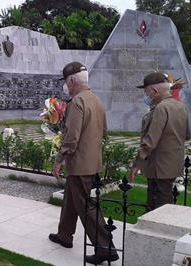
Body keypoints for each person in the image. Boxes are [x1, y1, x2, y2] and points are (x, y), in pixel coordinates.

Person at [49, 62, 118, 264]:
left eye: (66, 83)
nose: (66, 87)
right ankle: (64, 235)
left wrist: (59, 159)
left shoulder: (76, 102)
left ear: (72, 81)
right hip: (92, 161)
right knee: (71, 199)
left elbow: (71, 138)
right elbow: (103, 132)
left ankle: (105, 248)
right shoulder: (96, 100)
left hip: (79, 164)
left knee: (86, 207)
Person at [129, 72, 190, 211]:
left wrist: (136, 164)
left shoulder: (161, 108)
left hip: (159, 166)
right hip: (174, 163)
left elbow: (149, 141)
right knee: (164, 200)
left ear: (155, 91)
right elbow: (186, 135)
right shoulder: (181, 106)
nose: (146, 96)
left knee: (158, 206)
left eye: (146, 92)